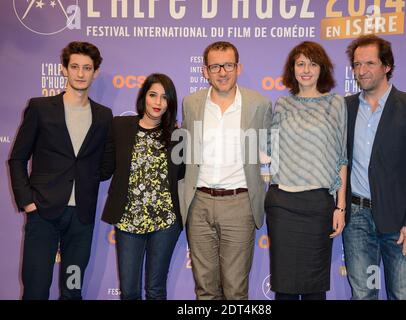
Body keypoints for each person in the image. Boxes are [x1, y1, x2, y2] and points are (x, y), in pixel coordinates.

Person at [8, 41, 112, 300]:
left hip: (81, 220)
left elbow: (106, 164)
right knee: (36, 289)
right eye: (74, 66)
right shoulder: (41, 108)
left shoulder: (103, 116)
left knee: (72, 289)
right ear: (64, 70)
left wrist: (87, 180)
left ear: (95, 72)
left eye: (87, 68)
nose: (80, 73)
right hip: (43, 215)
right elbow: (17, 158)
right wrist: (28, 202)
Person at [342, 35, 406, 300]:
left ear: (387, 66)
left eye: (369, 63)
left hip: (400, 222)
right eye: (357, 64)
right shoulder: (345, 107)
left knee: (402, 294)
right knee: (363, 294)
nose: (362, 70)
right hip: (357, 219)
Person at [180, 41, 272, 299]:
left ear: (238, 67)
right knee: (205, 289)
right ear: (205, 71)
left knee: (235, 290)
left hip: (239, 204)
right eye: (215, 66)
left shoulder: (259, 104)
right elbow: (185, 150)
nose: (222, 72)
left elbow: (268, 153)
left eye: (228, 65)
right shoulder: (191, 103)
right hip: (198, 203)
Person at [265, 41, 347, 300]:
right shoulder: (282, 105)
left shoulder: (335, 104)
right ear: (292, 69)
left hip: (317, 205)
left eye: (313, 64)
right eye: (300, 63)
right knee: (285, 289)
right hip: (282, 204)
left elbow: (341, 158)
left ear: (322, 69)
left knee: (314, 289)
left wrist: (340, 207)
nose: (306, 70)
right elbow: (267, 149)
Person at [101, 73, 183, 300]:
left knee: (156, 290)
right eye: (153, 95)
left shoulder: (178, 136)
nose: (158, 102)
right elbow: (105, 167)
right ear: (143, 97)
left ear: (170, 103)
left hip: (165, 222)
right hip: (128, 220)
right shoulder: (120, 126)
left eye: (164, 97)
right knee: (129, 291)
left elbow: (184, 177)